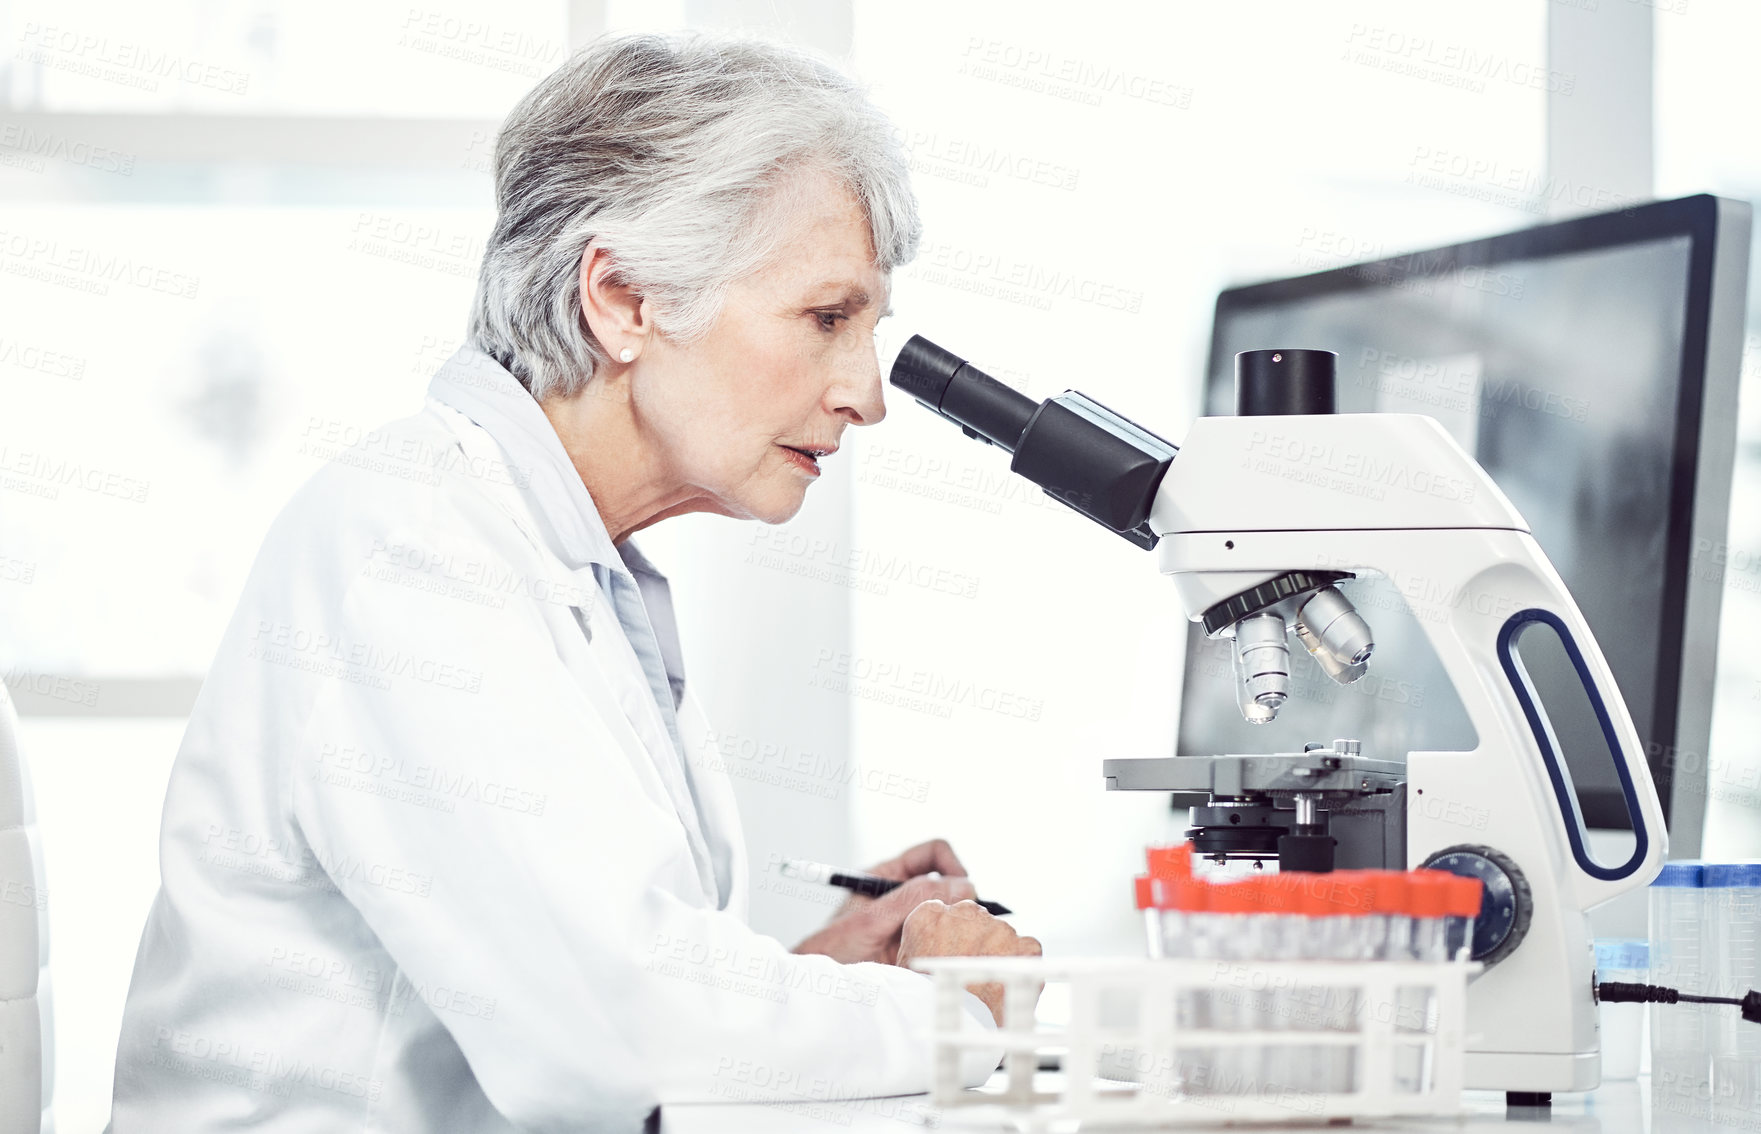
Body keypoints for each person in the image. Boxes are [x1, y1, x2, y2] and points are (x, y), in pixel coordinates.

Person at [107, 28, 1040, 1133]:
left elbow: (591, 981)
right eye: (828, 318)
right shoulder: (414, 551)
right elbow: (618, 1042)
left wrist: (819, 979)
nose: (866, 394)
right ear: (623, 299)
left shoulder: (568, 567)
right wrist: (952, 1012)